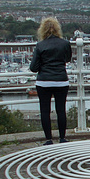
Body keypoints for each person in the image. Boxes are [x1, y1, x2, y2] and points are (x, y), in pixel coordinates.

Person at [29, 17, 72, 145]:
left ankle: (48, 139)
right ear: (57, 28)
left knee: (45, 110)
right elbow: (67, 59)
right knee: (61, 110)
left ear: (42, 30)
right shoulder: (65, 43)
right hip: (61, 80)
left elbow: (33, 68)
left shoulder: (40, 45)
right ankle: (62, 138)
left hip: (44, 81)